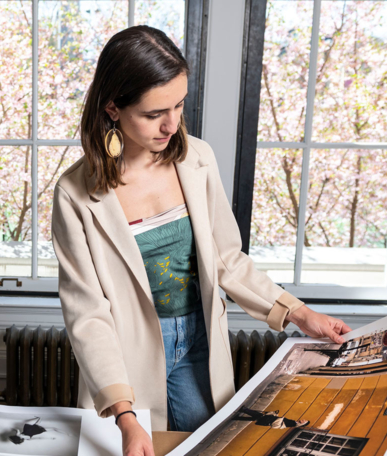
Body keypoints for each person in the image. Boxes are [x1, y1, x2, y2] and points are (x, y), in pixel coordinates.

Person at [51, 25, 351, 456]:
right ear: (113, 108)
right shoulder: (74, 193)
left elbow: (227, 258)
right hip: (128, 355)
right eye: (154, 114)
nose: (171, 124)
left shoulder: (198, 159)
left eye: (179, 104)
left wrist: (298, 314)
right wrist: (126, 416)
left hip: (200, 342)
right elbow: (88, 313)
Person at [9, 416, 74, 444]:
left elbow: (17, 430)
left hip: (32, 428)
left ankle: (39, 419)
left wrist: (14, 430)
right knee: (53, 429)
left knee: (28, 425)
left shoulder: (20, 435)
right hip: (36, 430)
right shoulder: (26, 438)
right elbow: (39, 438)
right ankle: (67, 434)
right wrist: (50, 438)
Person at [233, 407, 309, 429]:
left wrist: (282, 418)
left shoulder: (293, 423)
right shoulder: (294, 423)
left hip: (270, 420)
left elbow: (283, 422)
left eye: (304, 421)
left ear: (303, 423)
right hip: (270, 420)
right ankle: (238, 417)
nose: (303, 420)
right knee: (256, 417)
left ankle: (244, 410)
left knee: (258, 415)